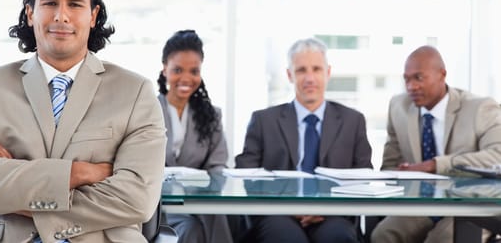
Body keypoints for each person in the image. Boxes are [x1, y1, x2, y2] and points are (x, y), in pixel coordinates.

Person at [0, 0, 166, 242]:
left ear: (93, 14)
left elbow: (136, 199)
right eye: (49, 3)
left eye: (75, 5)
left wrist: (14, 182)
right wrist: (81, 173)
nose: (61, 16)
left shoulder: (135, 92)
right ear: (30, 13)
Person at [235, 37, 372, 243]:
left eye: (316, 69)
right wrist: (289, 208)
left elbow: (363, 177)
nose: (309, 78)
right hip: (278, 214)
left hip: (333, 214)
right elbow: (246, 176)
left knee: (337, 237)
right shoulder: (263, 120)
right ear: (290, 75)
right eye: (301, 70)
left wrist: (325, 210)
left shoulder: (353, 121)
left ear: (328, 73)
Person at [371, 45, 501, 243]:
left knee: (440, 240)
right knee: (383, 235)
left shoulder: (480, 108)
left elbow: (497, 156)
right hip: (421, 203)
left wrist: (435, 165)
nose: (411, 87)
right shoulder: (399, 107)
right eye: (406, 79)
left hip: (471, 206)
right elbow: (390, 165)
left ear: (442, 74)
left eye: (418, 78)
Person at [157, 29, 232, 243]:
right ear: (165, 69)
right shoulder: (147, 110)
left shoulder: (211, 115)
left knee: (218, 217)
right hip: (159, 206)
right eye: (178, 70)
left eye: (194, 71)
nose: (186, 78)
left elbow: (218, 166)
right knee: (190, 228)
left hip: (199, 202)